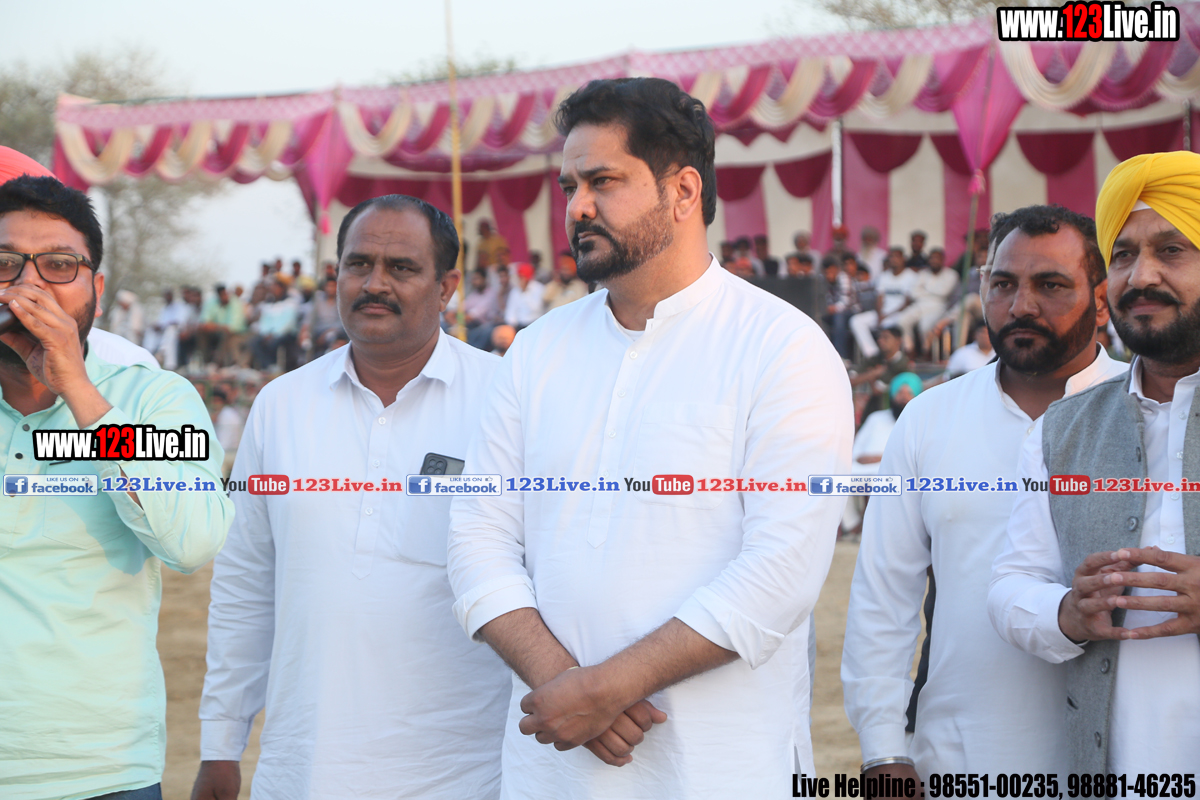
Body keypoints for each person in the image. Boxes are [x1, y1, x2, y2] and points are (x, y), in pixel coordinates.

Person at [447, 76, 851, 798]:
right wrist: (564, 683)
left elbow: (781, 572)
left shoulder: (781, 347)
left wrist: (610, 687)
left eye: (603, 181)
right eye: (570, 186)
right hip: (554, 771)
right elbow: (477, 535)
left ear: (683, 192)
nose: (577, 207)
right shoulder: (538, 350)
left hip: (722, 772)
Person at [193, 195, 509, 800]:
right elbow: (245, 586)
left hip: (466, 775)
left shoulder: (503, 401)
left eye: (401, 268)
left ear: (446, 288)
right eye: (358, 264)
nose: (374, 284)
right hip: (303, 769)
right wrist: (220, 745)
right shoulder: (281, 405)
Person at [842, 204, 1128, 780]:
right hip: (958, 757)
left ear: (1101, 301)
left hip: (1122, 761)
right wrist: (884, 751)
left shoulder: (1146, 413)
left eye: (1051, 285)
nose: (1021, 306)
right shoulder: (929, 419)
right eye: (1003, 284)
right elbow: (883, 599)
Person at [0, 174, 233, 799]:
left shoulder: (156, 399)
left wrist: (79, 390)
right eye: (5, 265)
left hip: (101, 770)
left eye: (58, 266)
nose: (28, 287)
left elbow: (191, 543)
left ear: (97, 291)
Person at [989, 152, 1200, 774]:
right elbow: (1012, 583)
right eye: (1125, 254)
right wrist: (1066, 613)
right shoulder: (1064, 428)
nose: (1142, 276)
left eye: (1171, 250)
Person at [843, 372, 921, 534]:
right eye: (899, 392)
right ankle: (854, 526)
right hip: (864, 470)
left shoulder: (919, 422)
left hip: (899, 475)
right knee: (837, 481)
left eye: (909, 393)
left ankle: (880, 529)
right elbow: (856, 451)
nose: (903, 397)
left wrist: (881, 458)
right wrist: (867, 458)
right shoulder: (876, 418)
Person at [852, 247, 916, 359]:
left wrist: (886, 316)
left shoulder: (911, 276)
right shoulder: (884, 276)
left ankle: (899, 357)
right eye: (891, 256)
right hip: (883, 313)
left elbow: (906, 303)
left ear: (903, 259)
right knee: (856, 321)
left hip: (900, 314)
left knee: (895, 323)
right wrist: (880, 314)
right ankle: (872, 354)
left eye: (897, 256)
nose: (894, 259)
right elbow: (879, 298)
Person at [894, 247, 958, 356]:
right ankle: (910, 350)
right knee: (902, 321)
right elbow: (914, 293)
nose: (934, 261)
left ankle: (927, 352)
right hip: (919, 304)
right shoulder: (923, 273)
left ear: (942, 260)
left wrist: (924, 288)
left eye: (937, 258)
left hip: (938, 306)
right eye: (932, 258)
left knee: (925, 326)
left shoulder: (951, 274)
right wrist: (930, 291)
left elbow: (944, 292)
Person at [198, 284, 247, 367]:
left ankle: (217, 363)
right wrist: (215, 326)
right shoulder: (212, 302)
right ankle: (205, 362)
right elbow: (204, 323)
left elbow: (232, 327)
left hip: (237, 332)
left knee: (225, 333)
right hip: (217, 330)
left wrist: (215, 326)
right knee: (200, 332)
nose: (225, 297)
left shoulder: (235, 302)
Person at [822, 256, 856, 359]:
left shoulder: (844, 278)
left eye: (831, 272)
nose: (829, 275)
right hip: (832, 312)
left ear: (837, 269)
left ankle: (840, 356)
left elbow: (846, 303)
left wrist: (833, 308)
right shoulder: (823, 280)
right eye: (826, 272)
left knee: (839, 319)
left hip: (852, 311)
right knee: (819, 318)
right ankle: (824, 354)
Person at [505, 262, 545, 329]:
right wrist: (512, 326)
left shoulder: (539, 288)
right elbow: (510, 312)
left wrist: (525, 292)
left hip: (535, 323)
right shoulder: (515, 291)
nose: (520, 279)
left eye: (522, 276)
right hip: (519, 325)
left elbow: (536, 308)